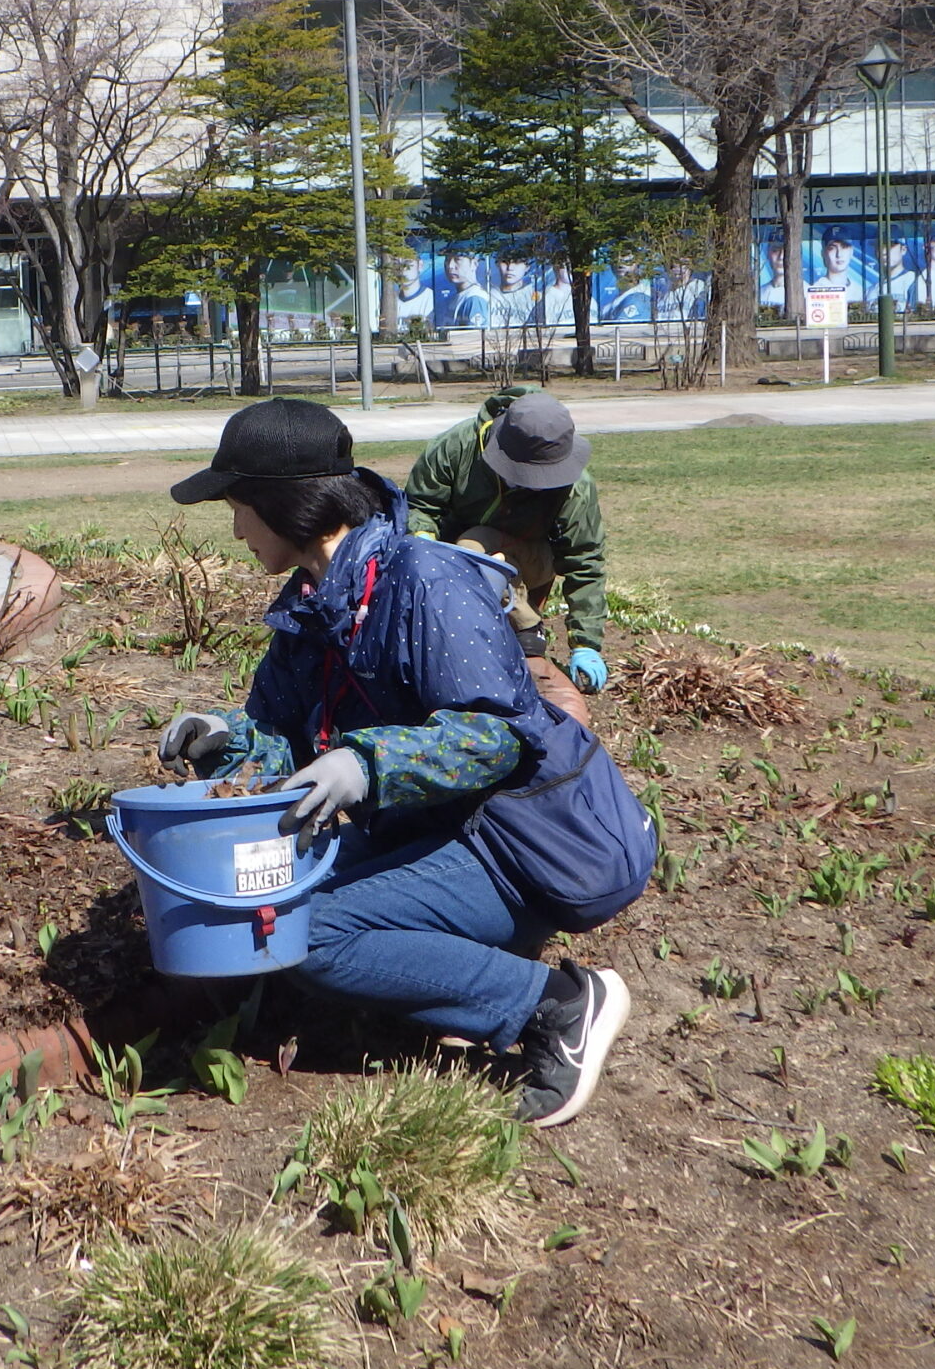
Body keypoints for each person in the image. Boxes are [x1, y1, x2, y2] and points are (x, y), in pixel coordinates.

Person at [160, 398, 654, 1126]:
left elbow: (496, 735)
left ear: (285, 504)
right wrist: (224, 740)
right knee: (284, 890)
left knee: (307, 933)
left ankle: (557, 1007)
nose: (236, 531)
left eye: (239, 509)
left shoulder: (426, 580)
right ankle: (464, 965)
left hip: (521, 845)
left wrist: (366, 762)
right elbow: (282, 734)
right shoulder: (313, 604)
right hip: (440, 828)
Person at [403, 386, 612, 722]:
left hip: (530, 562)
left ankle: (528, 632)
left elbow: (584, 560)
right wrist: (425, 545)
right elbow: (420, 505)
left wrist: (586, 643)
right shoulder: (457, 448)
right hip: (450, 560)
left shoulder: (577, 488)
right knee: (467, 552)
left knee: (475, 546)